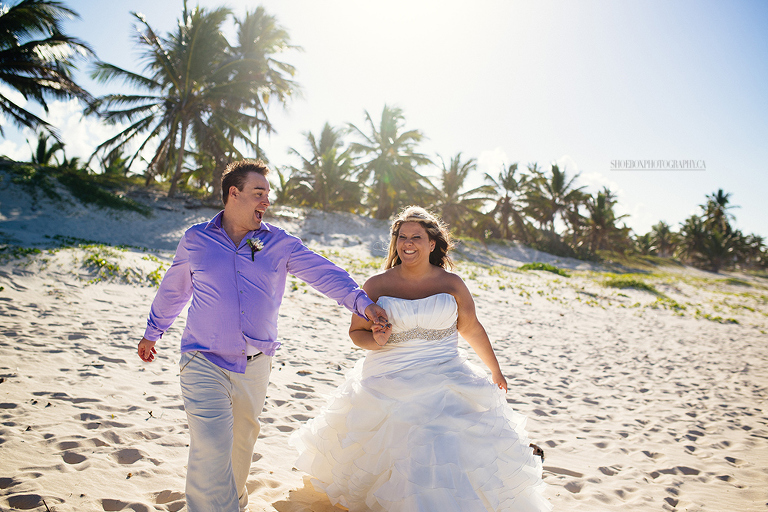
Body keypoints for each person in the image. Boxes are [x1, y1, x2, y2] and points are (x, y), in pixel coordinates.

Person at [137, 159, 388, 512]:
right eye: (259, 193)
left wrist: (363, 304)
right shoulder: (197, 239)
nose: (266, 201)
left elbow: (324, 273)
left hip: (255, 364)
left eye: (268, 194)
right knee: (211, 446)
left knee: (241, 445)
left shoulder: (278, 243)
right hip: (201, 359)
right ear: (233, 193)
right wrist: (153, 332)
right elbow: (175, 290)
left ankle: (234, 503)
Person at [291, 206, 551, 512]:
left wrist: (495, 371)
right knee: (410, 443)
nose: (408, 243)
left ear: (432, 243)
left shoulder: (452, 284)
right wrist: (375, 338)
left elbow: (471, 329)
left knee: (446, 439)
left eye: (416, 237)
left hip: (446, 373)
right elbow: (356, 333)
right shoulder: (376, 285)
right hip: (389, 376)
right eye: (402, 237)